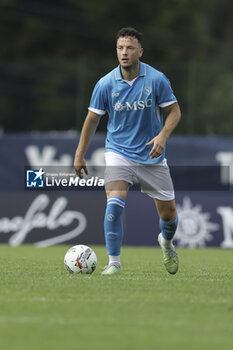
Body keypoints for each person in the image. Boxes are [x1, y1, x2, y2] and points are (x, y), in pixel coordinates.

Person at [74, 27, 181, 275]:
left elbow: (174, 111)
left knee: (169, 216)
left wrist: (162, 136)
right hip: (118, 152)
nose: (124, 52)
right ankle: (113, 263)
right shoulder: (105, 84)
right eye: (120, 48)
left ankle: (166, 243)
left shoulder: (156, 79)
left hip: (151, 155)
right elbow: (92, 120)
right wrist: (79, 153)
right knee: (114, 205)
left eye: (130, 48)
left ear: (140, 52)